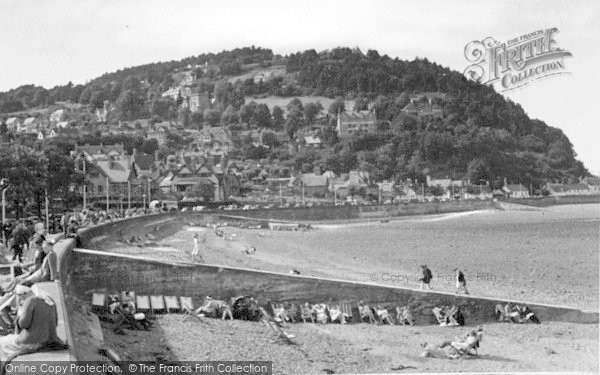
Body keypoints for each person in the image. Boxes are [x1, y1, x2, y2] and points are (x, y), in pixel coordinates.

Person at [0, 284, 59, 361]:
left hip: (33, 343)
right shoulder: (48, 298)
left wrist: (21, 313)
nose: (19, 298)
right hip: (50, 340)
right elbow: (56, 322)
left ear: (25, 293)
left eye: (19, 295)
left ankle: (4, 369)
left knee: (1, 342)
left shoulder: (30, 301)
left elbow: (23, 324)